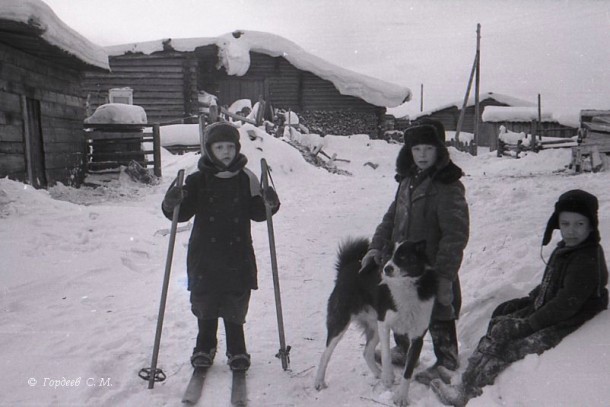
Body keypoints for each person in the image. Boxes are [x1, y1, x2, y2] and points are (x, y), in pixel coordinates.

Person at [431, 189, 608, 406]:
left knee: (508, 345)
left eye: (579, 224)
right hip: (551, 310)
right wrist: (530, 300)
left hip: (568, 322)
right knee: (500, 318)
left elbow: (565, 305)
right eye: (565, 224)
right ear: (557, 224)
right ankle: (467, 377)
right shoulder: (566, 249)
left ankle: (470, 392)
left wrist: (527, 325)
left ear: (591, 225)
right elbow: (552, 284)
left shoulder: (586, 259)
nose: (571, 231)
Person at [162, 121, 280, 371]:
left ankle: (237, 349)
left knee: (235, 301)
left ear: (237, 148)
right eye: (219, 147)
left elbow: (258, 213)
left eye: (230, 147)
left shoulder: (246, 178)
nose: (226, 152)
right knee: (205, 301)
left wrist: (270, 202)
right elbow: (180, 215)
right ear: (209, 150)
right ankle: (204, 346)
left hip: (237, 253)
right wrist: (171, 202)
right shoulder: (197, 180)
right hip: (204, 253)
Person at [361, 119, 470, 383]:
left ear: (439, 151)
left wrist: (444, 275)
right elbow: (391, 217)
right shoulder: (407, 180)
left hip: (431, 266)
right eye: (416, 149)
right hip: (402, 263)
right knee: (401, 304)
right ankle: (404, 348)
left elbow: (455, 235)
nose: (422, 155)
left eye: (428, 149)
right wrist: (376, 246)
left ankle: (446, 359)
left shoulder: (447, 184)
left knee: (440, 308)